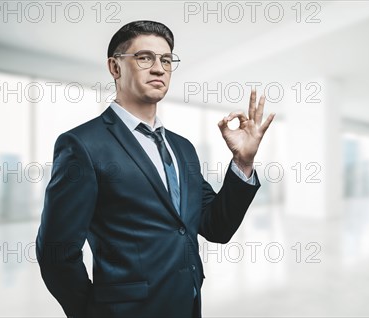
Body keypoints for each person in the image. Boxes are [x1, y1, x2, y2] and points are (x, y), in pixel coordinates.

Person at [35, 20, 275, 318]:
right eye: (145, 57)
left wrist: (243, 162)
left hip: (187, 304)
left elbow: (216, 227)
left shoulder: (182, 147)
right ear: (115, 67)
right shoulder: (83, 145)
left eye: (166, 60)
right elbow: (56, 252)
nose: (159, 68)